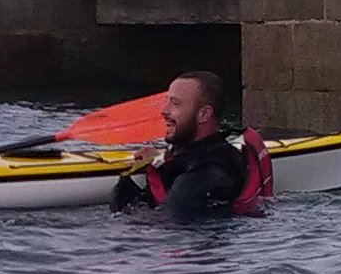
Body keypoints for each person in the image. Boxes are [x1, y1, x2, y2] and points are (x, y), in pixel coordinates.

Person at [109, 70, 269, 220]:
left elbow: (169, 225)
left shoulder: (205, 174)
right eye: (167, 102)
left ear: (204, 114)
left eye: (175, 104)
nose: (164, 111)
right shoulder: (218, 148)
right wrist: (157, 159)